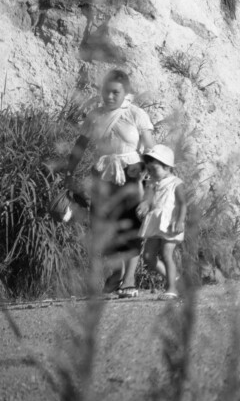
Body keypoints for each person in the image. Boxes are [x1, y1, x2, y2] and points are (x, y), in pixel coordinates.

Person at [65, 69, 156, 294]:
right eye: (106, 91)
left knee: (132, 225)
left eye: (116, 92)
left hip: (133, 173)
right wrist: (69, 172)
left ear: (126, 93)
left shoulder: (136, 114)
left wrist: (152, 177)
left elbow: (150, 148)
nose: (110, 96)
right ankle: (117, 272)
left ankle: (129, 279)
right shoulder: (95, 115)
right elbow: (80, 145)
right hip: (103, 173)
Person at [137, 144, 187, 300]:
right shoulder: (151, 183)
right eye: (149, 170)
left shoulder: (176, 183)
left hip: (170, 223)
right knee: (148, 256)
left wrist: (180, 220)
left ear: (167, 167)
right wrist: (144, 205)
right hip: (155, 223)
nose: (151, 173)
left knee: (166, 254)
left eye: (154, 169)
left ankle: (171, 288)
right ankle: (175, 278)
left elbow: (182, 204)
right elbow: (148, 199)